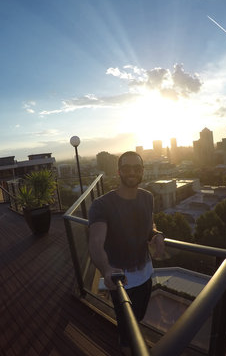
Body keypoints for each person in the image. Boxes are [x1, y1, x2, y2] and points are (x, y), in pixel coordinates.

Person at [88, 151, 165, 353]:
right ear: (118, 171)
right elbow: (96, 241)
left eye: (137, 168)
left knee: (137, 318)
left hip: (146, 274)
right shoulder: (102, 205)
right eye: (127, 168)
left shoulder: (147, 197)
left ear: (142, 171)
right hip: (120, 280)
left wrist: (156, 235)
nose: (132, 172)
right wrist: (106, 269)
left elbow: (149, 226)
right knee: (125, 326)